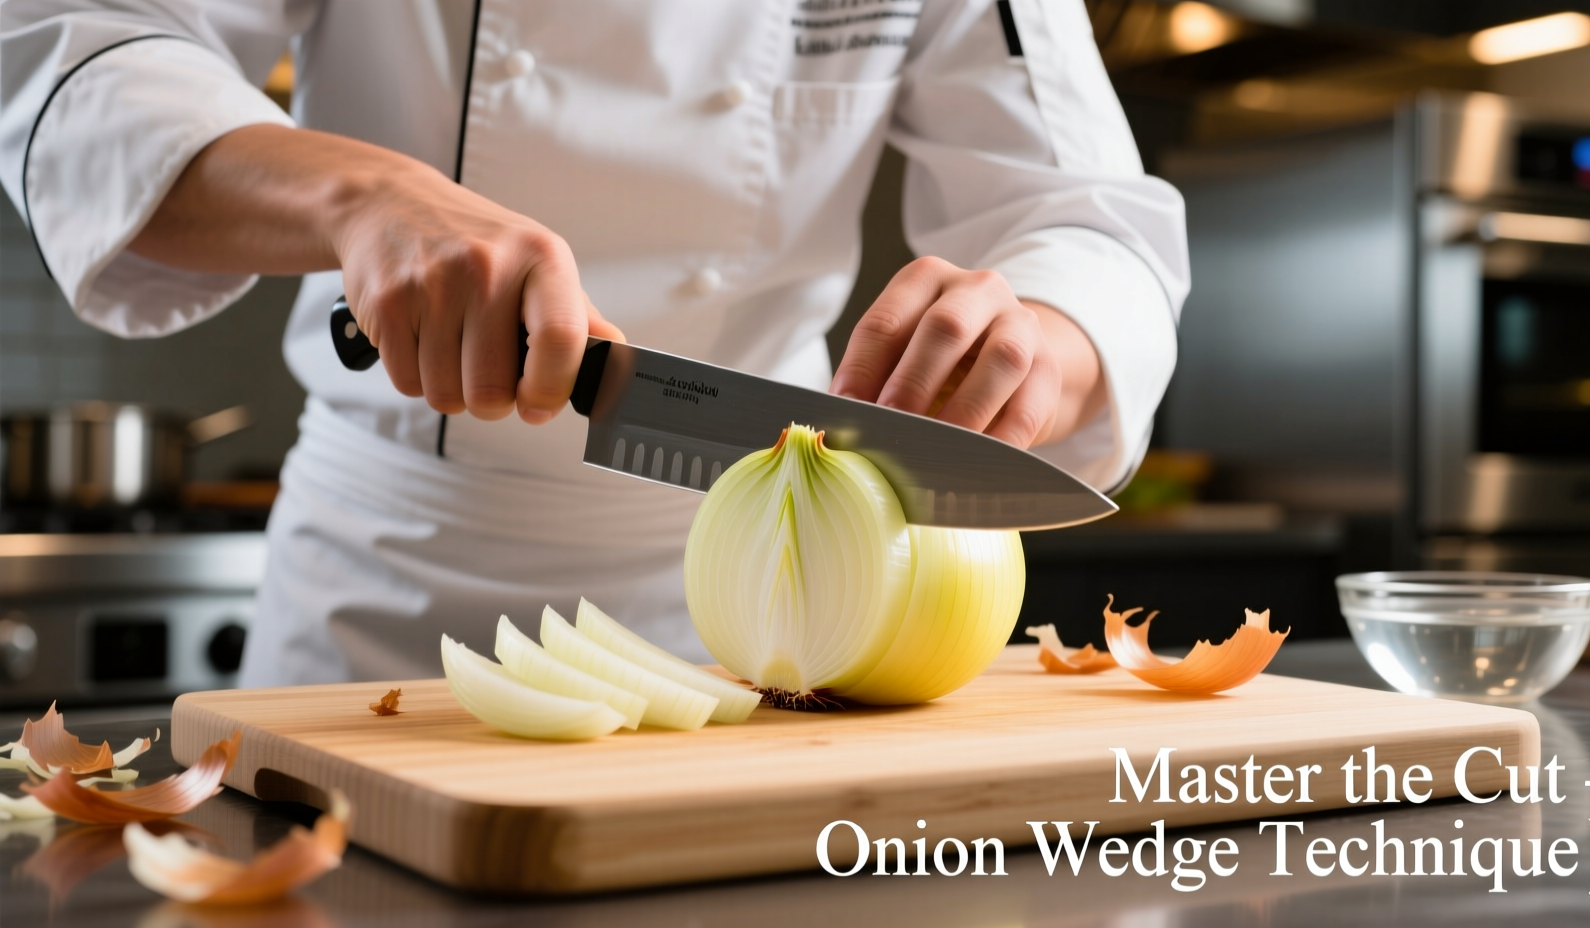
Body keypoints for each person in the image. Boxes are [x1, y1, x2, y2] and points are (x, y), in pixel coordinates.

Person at [0, 0, 1188, 687]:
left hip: (776, 605)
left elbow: (1079, 211)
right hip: (385, 601)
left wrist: (1036, 337)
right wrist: (360, 196)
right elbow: (74, 43)